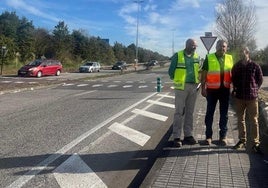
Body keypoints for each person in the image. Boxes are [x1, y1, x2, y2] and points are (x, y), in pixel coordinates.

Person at [168, 38, 201, 147]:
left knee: (190, 112)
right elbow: (171, 72)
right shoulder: (178, 55)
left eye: (196, 46)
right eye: (193, 46)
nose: (195, 48)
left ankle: (188, 135)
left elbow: (199, 70)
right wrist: (178, 81)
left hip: (194, 86)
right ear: (187, 45)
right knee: (179, 112)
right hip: (181, 88)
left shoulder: (196, 56)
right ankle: (177, 136)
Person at [200, 40, 233, 146]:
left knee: (224, 114)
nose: (221, 48)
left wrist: (233, 87)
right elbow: (204, 75)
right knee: (209, 113)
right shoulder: (209, 58)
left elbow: (232, 74)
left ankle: (223, 136)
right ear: (216, 47)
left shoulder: (230, 58)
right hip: (212, 90)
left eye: (224, 46)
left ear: (226, 48)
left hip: (225, 90)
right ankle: (208, 136)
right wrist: (203, 88)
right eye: (219, 46)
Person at [231, 46, 263, 153]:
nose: (241, 54)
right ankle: (242, 141)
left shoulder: (255, 66)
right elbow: (233, 79)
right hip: (240, 97)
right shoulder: (236, 66)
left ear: (248, 53)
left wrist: (255, 89)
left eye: (243, 52)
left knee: (254, 120)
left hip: (252, 98)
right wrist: (235, 89)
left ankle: (255, 143)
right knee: (240, 120)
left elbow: (260, 79)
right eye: (239, 52)